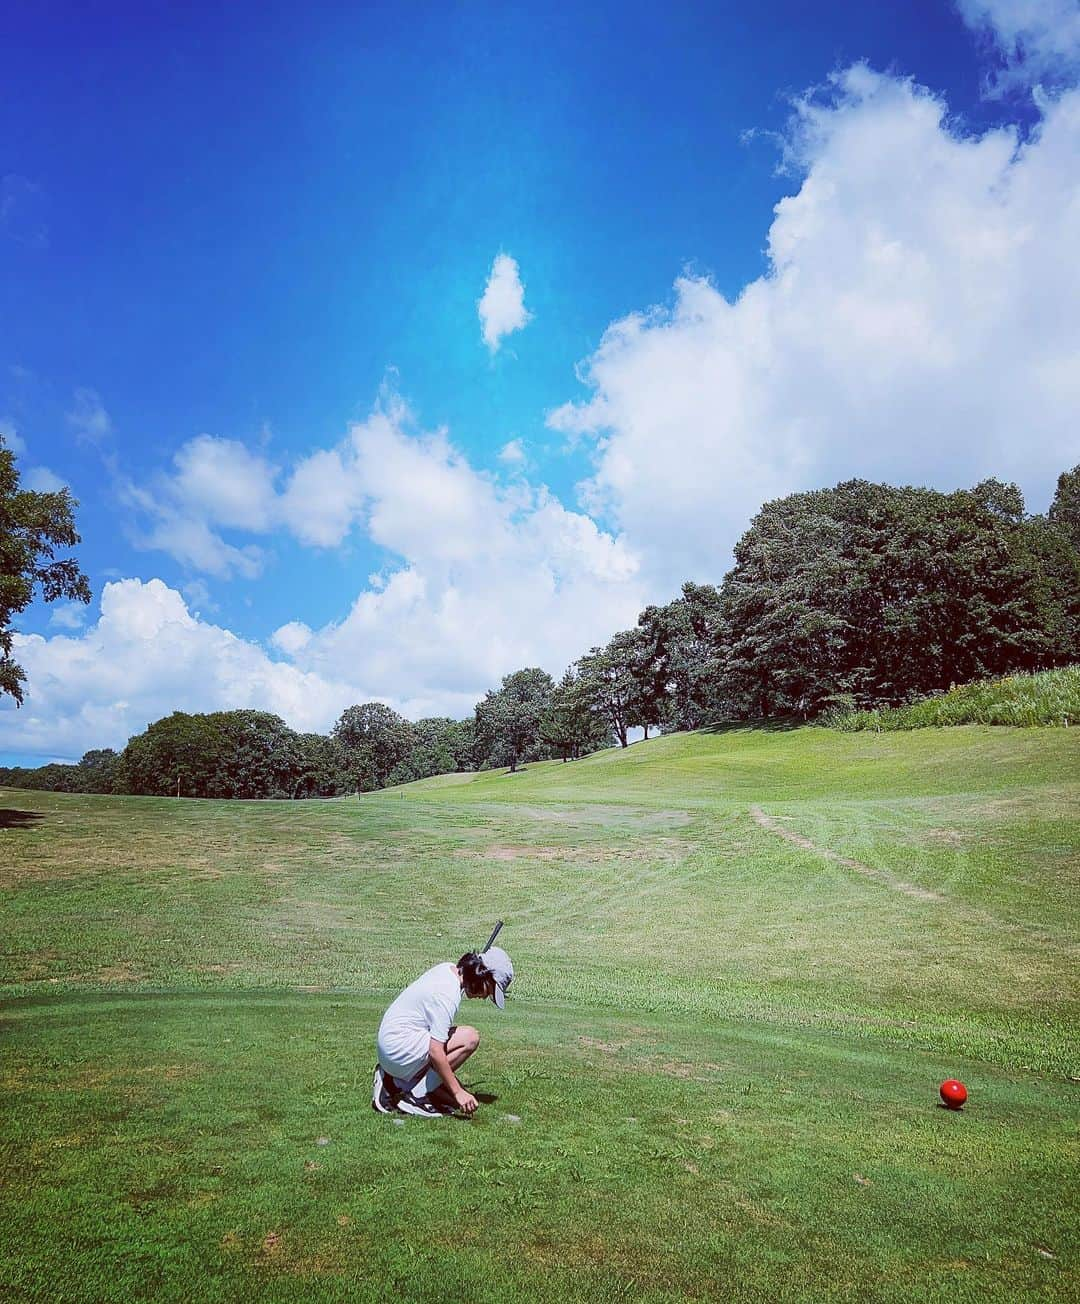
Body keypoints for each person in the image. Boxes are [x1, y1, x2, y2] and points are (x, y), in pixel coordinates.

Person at [372, 945, 514, 1117]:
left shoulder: (447, 970)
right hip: (398, 1049)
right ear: (480, 975)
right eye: (488, 990)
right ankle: (416, 1098)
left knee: (451, 1098)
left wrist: (457, 1092)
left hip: (391, 1048)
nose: (484, 997)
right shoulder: (448, 994)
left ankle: (393, 1081)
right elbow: (435, 1051)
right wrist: (458, 1092)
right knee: (469, 1038)